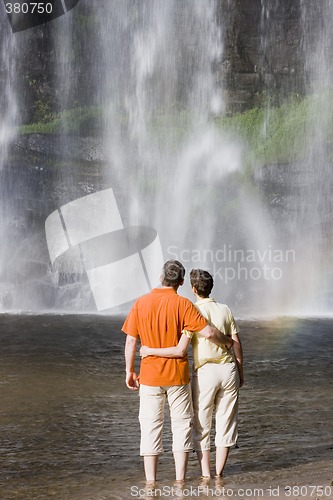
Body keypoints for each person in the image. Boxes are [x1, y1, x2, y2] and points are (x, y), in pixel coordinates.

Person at [122, 260, 233, 485]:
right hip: (177, 377)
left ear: (160, 277)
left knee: (150, 427)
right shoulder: (183, 304)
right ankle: (180, 481)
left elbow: (131, 340)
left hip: (150, 376)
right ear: (182, 282)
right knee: (182, 427)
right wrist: (227, 342)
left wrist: (129, 370)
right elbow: (209, 332)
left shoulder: (140, 303)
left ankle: (151, 483)